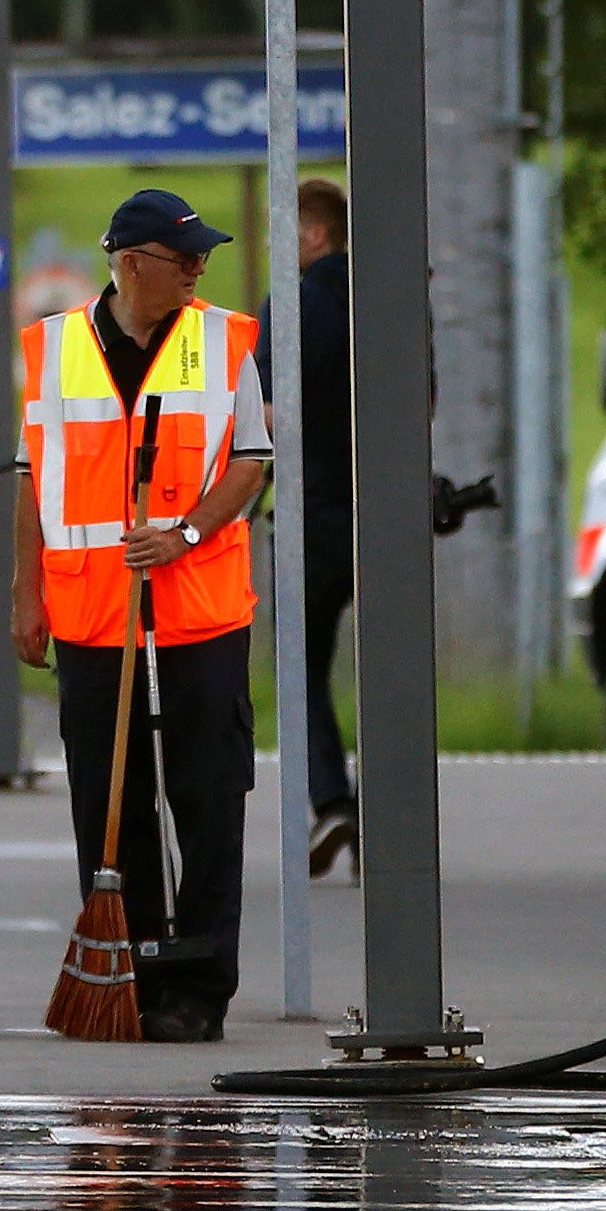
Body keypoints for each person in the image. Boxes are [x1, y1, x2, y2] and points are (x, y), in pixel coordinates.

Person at [14, 189, 275, 1042]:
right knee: (110, 800)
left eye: (203, 256)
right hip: (93, 612)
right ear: (131, 263)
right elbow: (32, 483)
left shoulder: (224, 340)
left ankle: (198, 986)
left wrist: (187, 530)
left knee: (205, 796)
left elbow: (250, 463)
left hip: (200, 605)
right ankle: (131, 969)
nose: (201, 268)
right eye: (184, 256)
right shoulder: (52, 351)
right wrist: (27, 595)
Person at [256, 174, 360, 877]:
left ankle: (334, 799)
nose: (273, 243)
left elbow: (263, 416)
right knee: (390, 672)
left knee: (301, 664)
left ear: (314, 233)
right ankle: (394, 808)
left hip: (312, 513)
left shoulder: (293, 304)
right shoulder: (390, 295)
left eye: (282, 229)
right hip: (386, 514)